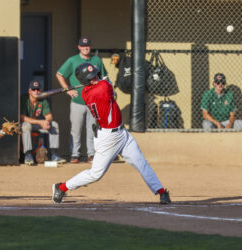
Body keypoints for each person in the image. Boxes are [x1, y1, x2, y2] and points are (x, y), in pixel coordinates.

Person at [52, 63, 171, 204]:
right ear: (84, 81)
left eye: (96, 74)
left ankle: (161, 192)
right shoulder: (98, 90)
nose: (95, 78)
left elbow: (111, 93)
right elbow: (108, 89)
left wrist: (102, 80)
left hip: (122, 133)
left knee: (141, 162)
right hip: (108, 138)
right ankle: (62, 187)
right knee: (95, 174)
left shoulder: (87, 91)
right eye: (91, 77)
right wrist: (106, 80)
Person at [56, 37, 107, 163]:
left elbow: (104, 77)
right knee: (76, 129)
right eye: (83, 46)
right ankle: (75, 155)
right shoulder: (72, 60)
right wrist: (67, 90)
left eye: (87, 46)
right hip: (77, 101)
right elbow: (59, 74)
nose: (85, 48)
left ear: (90, 47)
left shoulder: (96, 60)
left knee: (92, 128)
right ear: (79, 47)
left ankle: (91, 154)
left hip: (93, 101)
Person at [21, 79, 66, 165]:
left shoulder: (42, 100)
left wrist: (47, 122)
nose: (36, 91)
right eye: (33, 89)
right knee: (26, 125)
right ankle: (28, 155)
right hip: (24, 125)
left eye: (38, 89)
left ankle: (54, 154)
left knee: (54, 125)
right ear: (29, 91)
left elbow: (49, 117)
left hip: (37, 125)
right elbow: (22, 118)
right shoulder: (24, 99)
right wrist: (40, 122)